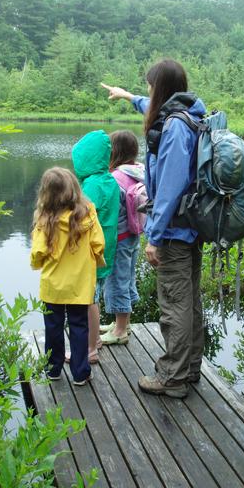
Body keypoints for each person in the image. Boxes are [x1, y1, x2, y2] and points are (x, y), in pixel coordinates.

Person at [101, 58, 206, 399]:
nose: (147, 92)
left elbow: (171, 187)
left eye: (149, 86)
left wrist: (155, 237)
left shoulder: (174, 127)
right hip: (191, 227)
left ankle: (172, 378)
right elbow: (148, 106)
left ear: (160, 88)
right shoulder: (188, 114)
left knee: (174, 304)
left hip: (174, 230)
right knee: (189, 301)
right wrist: (126, 96)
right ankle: (189, 370)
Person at [30, 167, 105, 386]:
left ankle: (53, 369)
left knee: (53, 327)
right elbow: (98, 245)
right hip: (80, 284)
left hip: (53, 285)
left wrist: (38, 263)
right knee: (79, 327)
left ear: (46, 193)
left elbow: (38, 253)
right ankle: (80, 373)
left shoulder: (45, 219)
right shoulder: (89, 213)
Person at [72, 130, 120, 363]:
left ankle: (89, 349)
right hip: (104, 250)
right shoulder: (109, 180)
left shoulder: (92, 185)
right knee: (94, 296)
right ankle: (96, 341)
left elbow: (79, 220)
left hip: (91, 252)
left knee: (87, 300)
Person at [99, 130, 144, 345]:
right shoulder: (138, 170)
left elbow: (112, 211)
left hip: (119, 238)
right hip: (134, 236)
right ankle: (123, 323)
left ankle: (119, 332)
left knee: (117, 281)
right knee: (127, 278)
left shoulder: (116, 177)